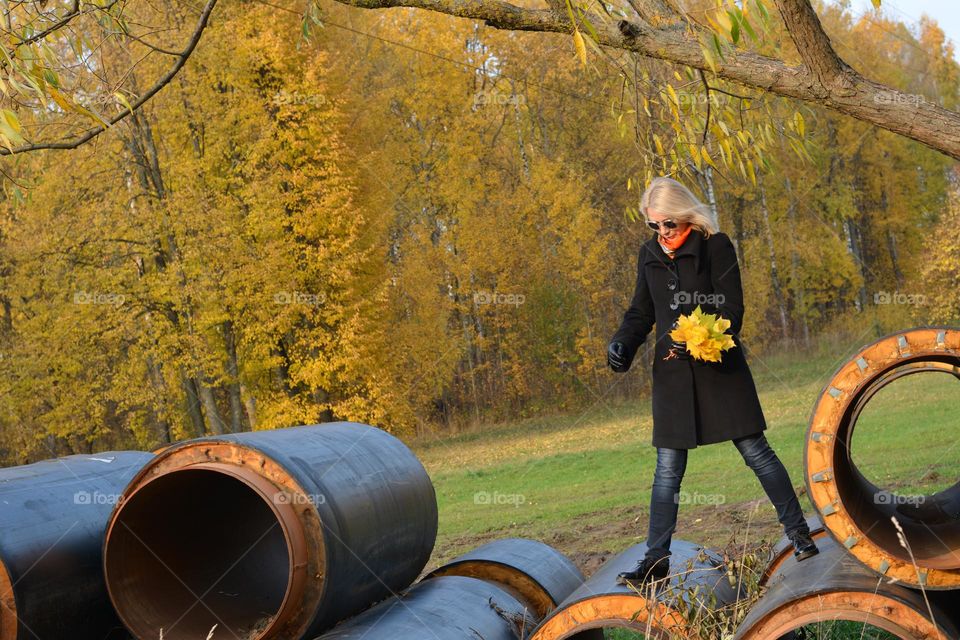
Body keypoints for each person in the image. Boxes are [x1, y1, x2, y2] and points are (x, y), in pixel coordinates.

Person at [606, 176, 818, 586]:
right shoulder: (648, 253)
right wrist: (621, 345)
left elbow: (732, 308)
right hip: (672, 378)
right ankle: (656, 562)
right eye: (654, 225)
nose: (662, 233)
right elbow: (640, 312)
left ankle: (800, 535)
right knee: (667, 470)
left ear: (685, 215)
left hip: (720, 369)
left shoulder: (715, 247)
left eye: (668, 223)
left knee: (757, 452)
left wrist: (701, 334)